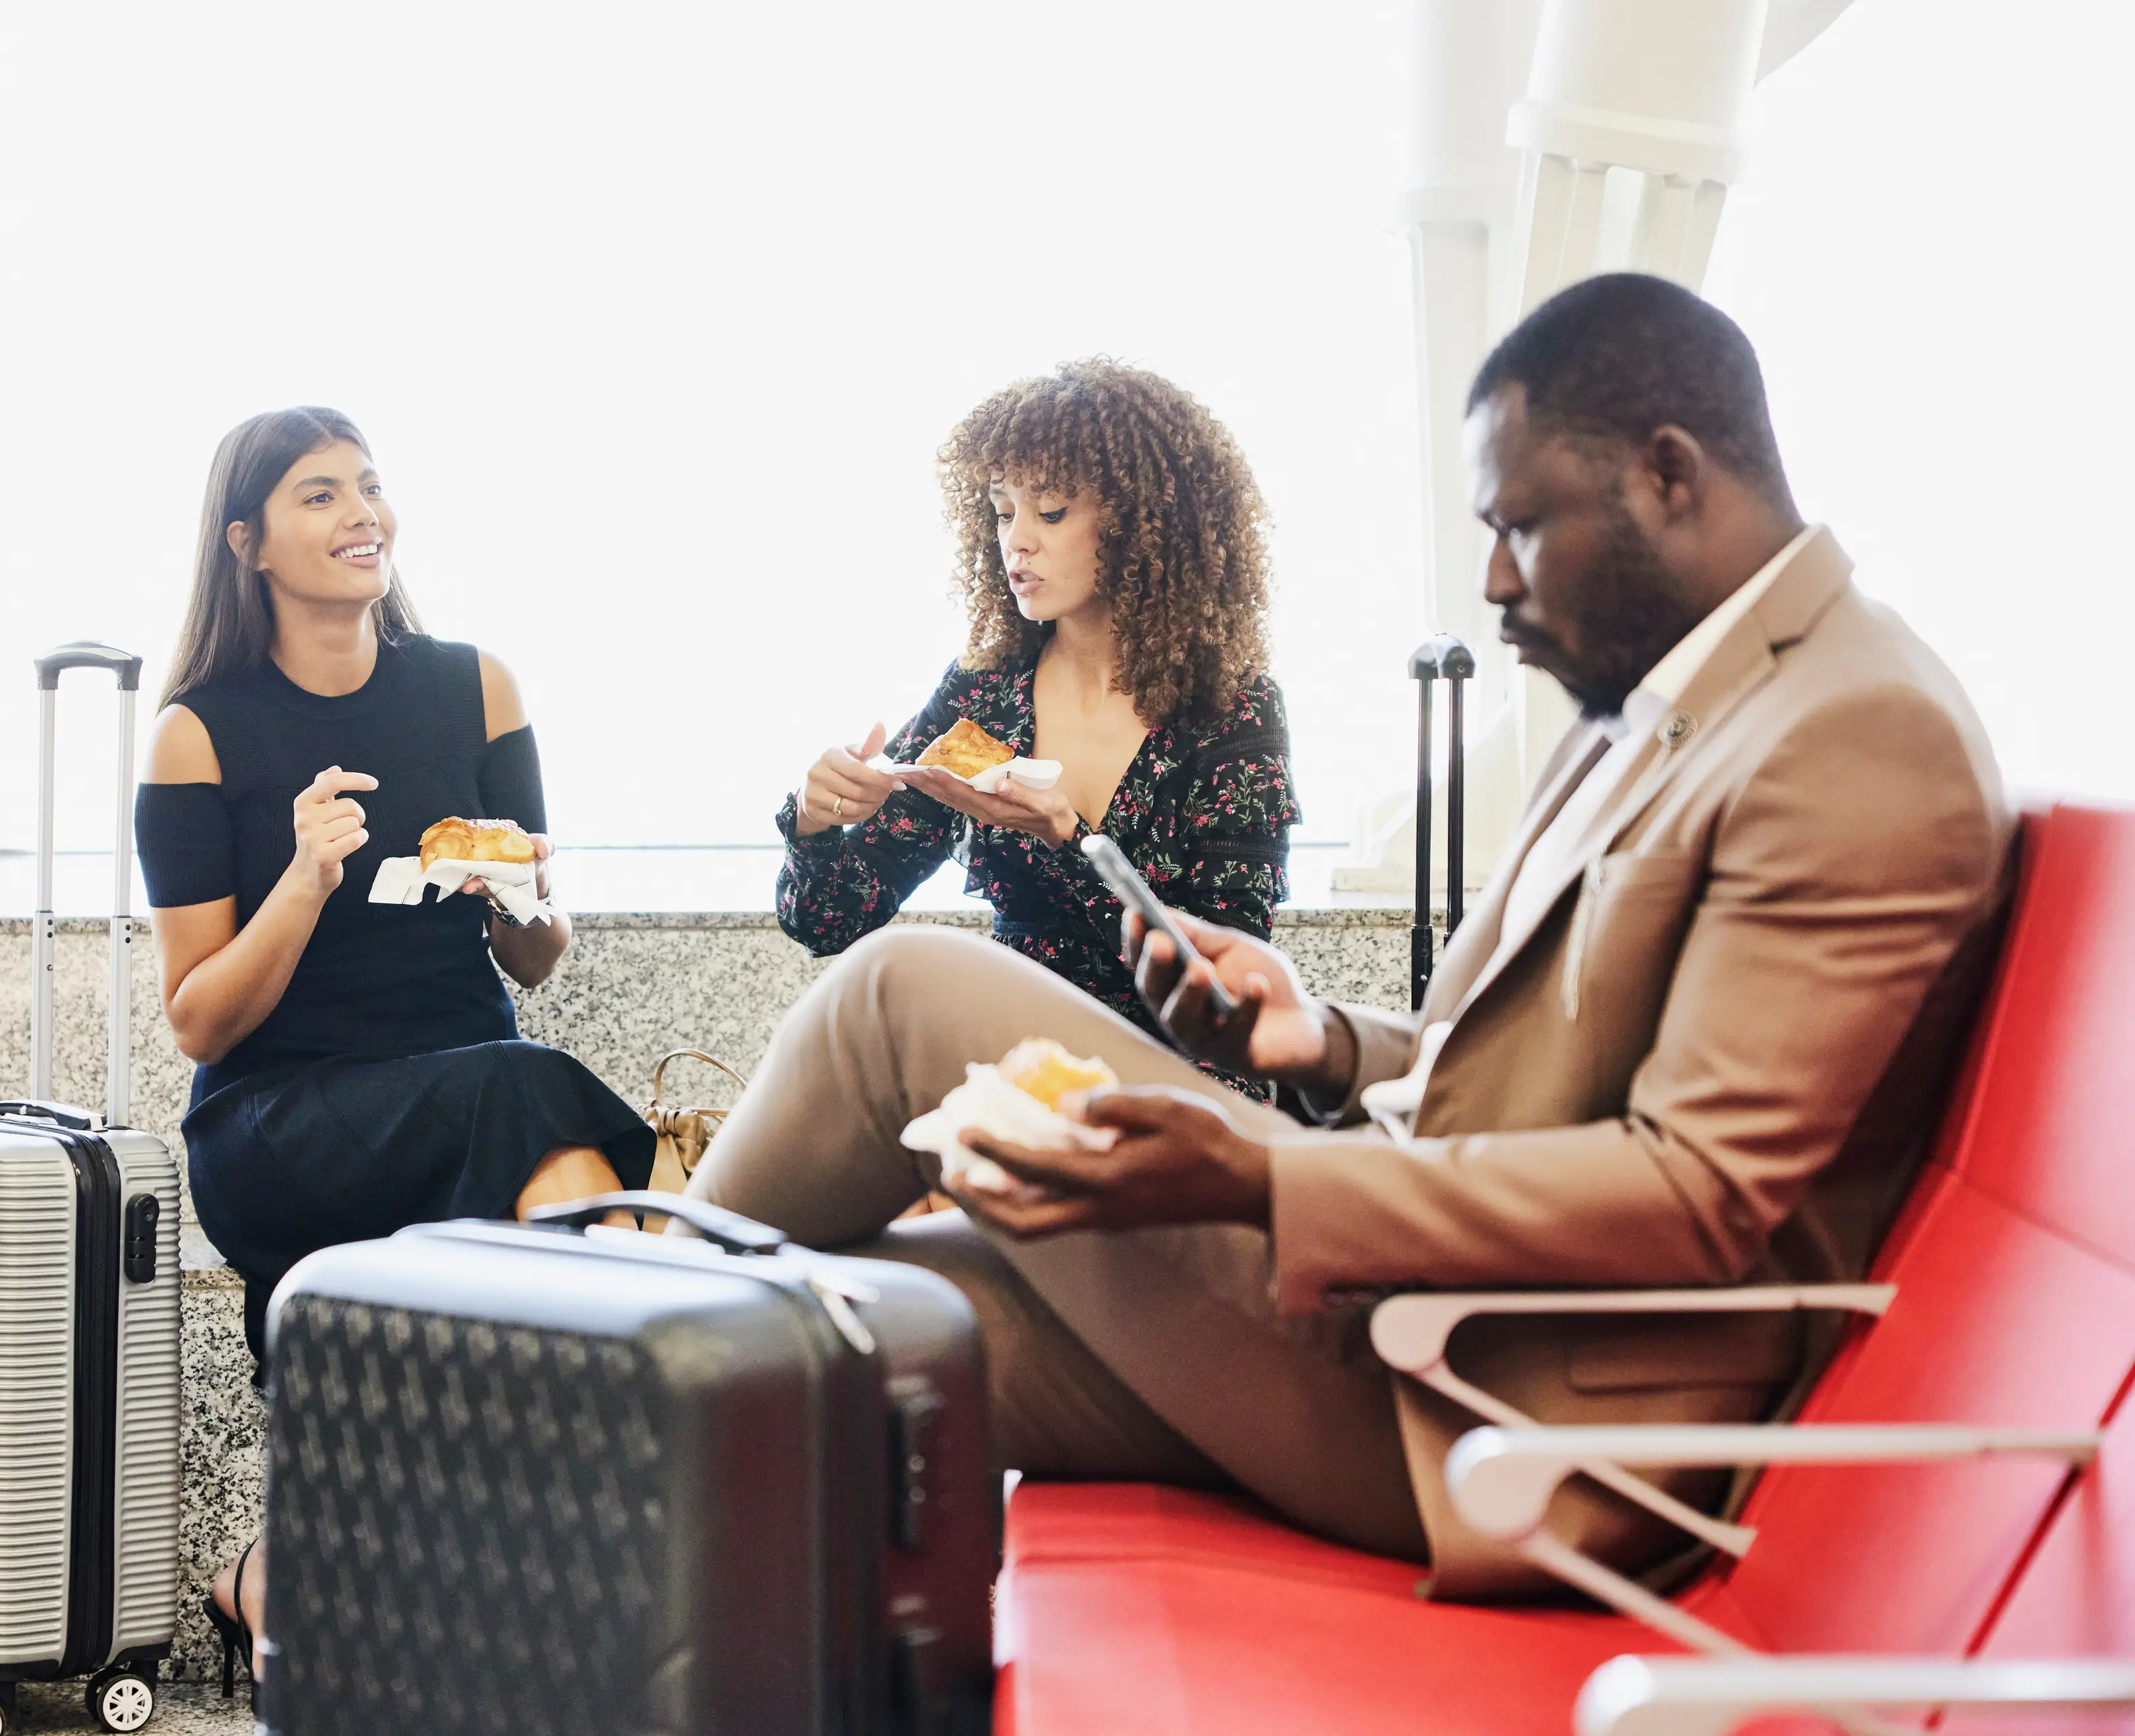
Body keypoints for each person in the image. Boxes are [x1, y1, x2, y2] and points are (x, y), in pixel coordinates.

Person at [682, 274, 2012, 1599]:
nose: (1493, 581)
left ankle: (538, 1351)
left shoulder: (1852, 731)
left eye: (1523, 525)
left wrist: (1260, 1184)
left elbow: (1698, 1194)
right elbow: (1535, 1059)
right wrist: (1322, 1039)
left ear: (1668, 475)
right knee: (804, 1327)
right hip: (1404, 1298)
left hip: (1491, 1402)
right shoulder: (1675, 707)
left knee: (900, 994)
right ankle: (578, 1397)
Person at [135, 406, 655, 1691]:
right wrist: (307, 879)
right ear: (248, 541)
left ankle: (292, 1573)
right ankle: (618, 1540)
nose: (362, 513)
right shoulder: (198, 732)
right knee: (534, 1101)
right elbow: (198, 1015)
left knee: (519, 1102)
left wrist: (516, 893)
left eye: (368, 486)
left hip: (465, 1082)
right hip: (278, 1116)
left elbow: (535, 961)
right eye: (320, 495)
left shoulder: (476, 686)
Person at [779, 359, 1300, 1100]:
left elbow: (1223, 988)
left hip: (1179, 1089)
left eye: (1050, 512)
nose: (1016, 542)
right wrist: (815, 821)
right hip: (1018, 1064)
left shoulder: (1231, 712)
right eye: (1002, 511)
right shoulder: (984, 694)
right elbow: (828, 920)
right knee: (871, 1017)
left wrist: (1073, 843)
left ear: (1141, 525)